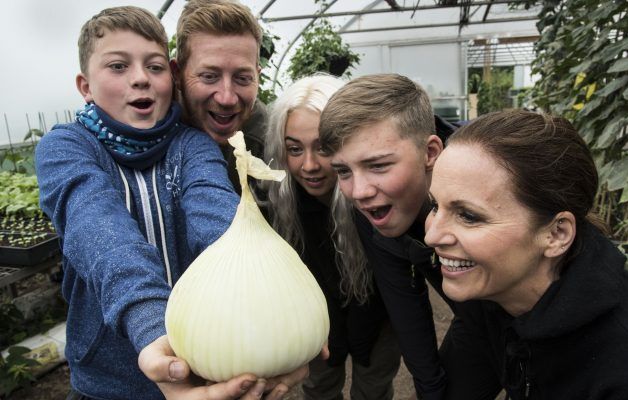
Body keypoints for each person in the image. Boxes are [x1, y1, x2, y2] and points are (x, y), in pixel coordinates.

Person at [35, 6, 300, 400]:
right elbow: (102, 233)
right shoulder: (65, 148)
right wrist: (153, 329)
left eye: (154, 66)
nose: (140, 78)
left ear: (170, 77)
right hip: (107, 382)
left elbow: (217, 217)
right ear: (85, 85)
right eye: (118, 66)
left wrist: (272, 308)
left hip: (206, 364)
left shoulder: (190, 145)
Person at [424, 109, 628, 399]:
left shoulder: (619, 366)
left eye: (468, 216)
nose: (431, 235)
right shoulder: (489, 293)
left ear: (557, 234)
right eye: (434, 206)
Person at [319, 74, 458, 400]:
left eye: (378, 165)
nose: (359, 192)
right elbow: (405, 305)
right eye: (343, 171)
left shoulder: (494, 190)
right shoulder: (375, 213)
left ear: (431, 152)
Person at [263, 74, 401, 400]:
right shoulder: (279, 200)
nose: (309, 165)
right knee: (319, 388)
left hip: (380, 316)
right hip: (315, 324)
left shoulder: (375, 198)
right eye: (294, 149)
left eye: (323, 148)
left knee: (374, 390)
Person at [171, 0, 266, 195]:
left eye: (242, 78)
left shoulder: (266, 138)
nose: (227, 98)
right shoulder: (146, 127)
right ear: (177, 74)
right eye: (209, 76)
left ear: (258, 77)